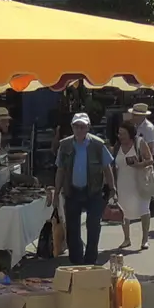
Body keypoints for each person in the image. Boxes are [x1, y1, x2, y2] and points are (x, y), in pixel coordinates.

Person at [55, 112, 115, 265]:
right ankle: (76, 261)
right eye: (76, 126)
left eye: (82, 127)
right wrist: (56, 192)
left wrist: (112, 189)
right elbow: (60, 170)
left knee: (93, 226)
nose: (79, 130)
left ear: (88, 127)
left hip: (93, 191)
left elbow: (107, 168)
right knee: (72, 229)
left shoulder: (97, 144)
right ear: (72, 127)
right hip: (72, 191)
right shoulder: (65, 145)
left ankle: (90, 260)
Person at [113, 117, 154, 251]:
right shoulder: (117, 146)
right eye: (119, 133)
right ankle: (126, 239)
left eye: (123, 134)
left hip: (140, 181)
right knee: (123, 210)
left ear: (130, 134)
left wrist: (138, 164)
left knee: (144, 209)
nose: (120, 136)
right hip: (122, 182)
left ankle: (145, 239)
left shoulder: (139, 142)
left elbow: (150, 160)